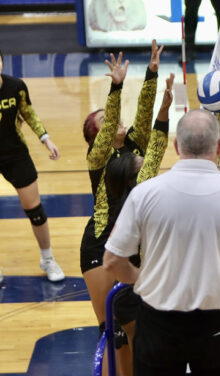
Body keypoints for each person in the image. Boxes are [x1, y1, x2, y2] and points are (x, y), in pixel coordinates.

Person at [103, 108, 220, 376]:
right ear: (219, 146)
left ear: (176, 146)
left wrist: (144, 279)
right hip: (217, 328)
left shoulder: (143, 194)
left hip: (157, 324)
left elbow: (113, 261)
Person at [80, 40, 163, 375]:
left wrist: (151, 74)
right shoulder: (97, 157)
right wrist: (115, 88)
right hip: (100, 245)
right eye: (103, 119)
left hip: (136, 245)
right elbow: (111, 116)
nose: (113, 119)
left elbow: (144, 116)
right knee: (112, 334)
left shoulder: (134, 147)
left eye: (111, 115)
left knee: (139, 333)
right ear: (94, 134)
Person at [0, 49, 64, 284]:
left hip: (15, 154)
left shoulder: (16, 87)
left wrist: (46, 139)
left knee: (35, 211)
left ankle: (47, 259)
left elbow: (29, 114)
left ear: (1, 62)